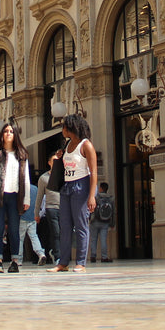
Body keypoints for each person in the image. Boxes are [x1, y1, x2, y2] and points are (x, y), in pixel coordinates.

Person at [46, 113, 99, 272]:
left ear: (71, 128)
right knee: (65, 225)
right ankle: (63, 262)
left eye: (64, 127)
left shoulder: (86, 145)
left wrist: (91, 195)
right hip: (67, 187)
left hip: (81, 185)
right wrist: (60, 157)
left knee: (81, 224)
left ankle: (81, 262)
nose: (62, 130)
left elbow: (94, 172)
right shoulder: (66, 145)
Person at [0, 121, 32, 273]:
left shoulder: (21, 155)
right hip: (0, 196)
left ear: (15, 134)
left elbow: (26, 179)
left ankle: (15, 261)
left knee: (14, 229)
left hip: (15, 196)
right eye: (6, 131)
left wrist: (27, 199)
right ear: (2, 135)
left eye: (11, 131)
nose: (8, 134)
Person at [38, 167, 61, 264]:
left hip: (62, 208)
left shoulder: (64, 176)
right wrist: (37, 214)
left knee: (62, 233)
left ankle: (57, 252)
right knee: (55, 233)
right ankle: (57, 256)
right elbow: (40, 198)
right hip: (50, 210)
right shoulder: (44, 179)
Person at [18, 182, 45, 264]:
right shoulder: (35, 189)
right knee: (34, 236)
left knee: (20, 239)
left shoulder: (20, 189)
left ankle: (19, 260)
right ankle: (41, 254)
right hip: (33, 216)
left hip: (22, 216)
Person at [90, 181, 115, 263]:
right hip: (105, 222)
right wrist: (112, 223)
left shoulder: (96, 197)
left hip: (95, 221)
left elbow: (92, 207)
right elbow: (113, 212)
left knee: (94, 239)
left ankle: (93, 256)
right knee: (104, 240)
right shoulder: (111, 198)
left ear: (100, 188)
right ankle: (104, 257)